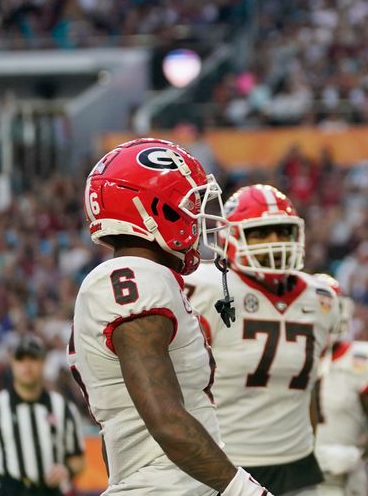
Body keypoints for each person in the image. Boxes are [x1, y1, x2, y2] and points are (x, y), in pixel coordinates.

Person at [68, 138, 272, 495]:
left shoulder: (142, 277)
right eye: (190, 203)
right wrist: (244, 490)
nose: (198, 215)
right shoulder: (133, 277)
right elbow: (165, 420)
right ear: (155, 209)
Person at [186, 185, 342, 495]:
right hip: (224, 465)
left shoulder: (323, 298)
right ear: (229, 237)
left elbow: (308, 388)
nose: (274, 242)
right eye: (261, 233)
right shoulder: (204, 288)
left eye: (282, 231)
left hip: (297, 464)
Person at [0, 336, 85, 496]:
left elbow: (78, 458)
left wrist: (67, 469)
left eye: (33, 358)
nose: (27, 365)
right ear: (12, 363)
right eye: (21, 359)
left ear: (43, 362)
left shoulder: (63, 408)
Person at [312, 275, 368, 496]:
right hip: (291, 474)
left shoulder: (362, 358)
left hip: (341, 480)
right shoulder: (285, 358)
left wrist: (355, 454)